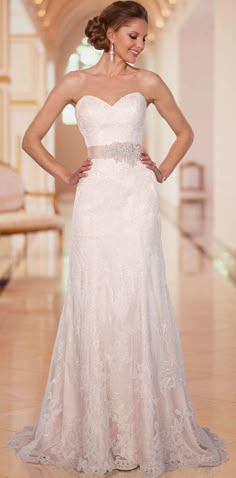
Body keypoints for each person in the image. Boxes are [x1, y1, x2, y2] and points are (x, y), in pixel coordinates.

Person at [8, 1, 227, 477]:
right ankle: (94, 423)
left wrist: (163, 170)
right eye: (132, 36)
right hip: (94, 200)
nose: (139, 45)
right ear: (109, 32)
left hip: (135, 196)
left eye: (144, 38)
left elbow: (184, 131)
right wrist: (65, 173)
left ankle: (142, 424)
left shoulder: (147, 82)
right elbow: (31, 138)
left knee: (136, 298)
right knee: (94, 299)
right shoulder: (74, 83)